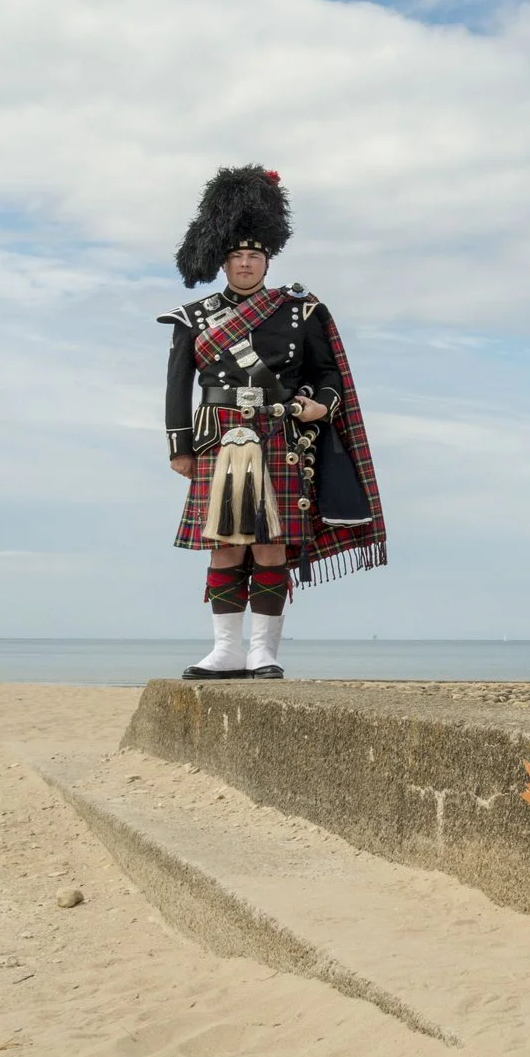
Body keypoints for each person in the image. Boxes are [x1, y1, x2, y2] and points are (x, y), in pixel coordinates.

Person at [162, 166, 386, 679]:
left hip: (277, 434)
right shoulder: (192, 319)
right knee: (224, 545)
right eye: (237, 256)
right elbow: (177, 385)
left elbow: (329, 373)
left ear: (267, 259)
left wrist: (321, 404)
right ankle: (225, 650)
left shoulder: (298, 311)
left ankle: (263, 652)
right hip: (218, 436)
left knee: (270, 544)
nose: (245, 263)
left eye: (254, 256)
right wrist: (180, 448)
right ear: (224, 261)